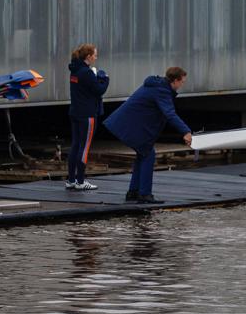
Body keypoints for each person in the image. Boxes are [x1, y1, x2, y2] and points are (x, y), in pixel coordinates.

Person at [103, 67, 193, 204]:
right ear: (175, 81)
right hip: (131, 125)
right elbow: (169, 113)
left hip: (128, 123)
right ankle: (144, 194)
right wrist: (186, 131)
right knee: (148, 154)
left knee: (143, 153)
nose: (182, 85)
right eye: (182, 82)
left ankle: (133, 192)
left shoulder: (158, 85)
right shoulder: (162, 91)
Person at [66, 43, 109, 191]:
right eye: (95, 55)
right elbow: (99, 90)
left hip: (75, 112)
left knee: (75, 145)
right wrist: (105, 79)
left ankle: (71, 180)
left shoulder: (74, 71)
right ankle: (81, 181)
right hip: (87, 114)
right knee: (84, 148)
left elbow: (86, 88)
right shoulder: (87, 73)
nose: (96, 57)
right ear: (88, 56)